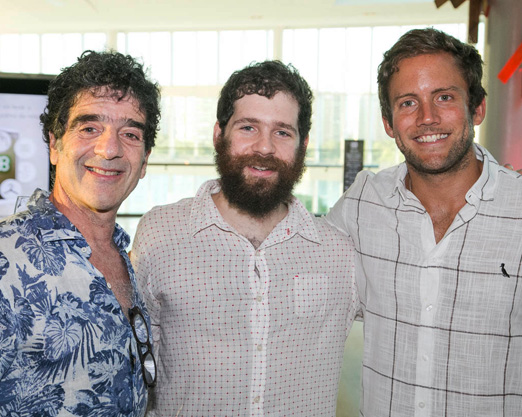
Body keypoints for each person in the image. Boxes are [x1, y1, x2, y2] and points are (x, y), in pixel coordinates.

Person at [131, 60, 359, 416]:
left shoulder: (339, 252)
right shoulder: (161, 234)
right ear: (218, 134)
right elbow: (135, 368)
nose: (264, 148)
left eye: (282, 132)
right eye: (248, 127)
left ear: (303, 145)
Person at [327, 27, 522, 416]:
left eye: (444, 97)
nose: (427, 118)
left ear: (477, 108)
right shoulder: (362, 204)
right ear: (389, 123)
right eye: (407, 103)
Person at [0, 50, 161, 416]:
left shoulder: (125, 256)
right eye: (89, 128)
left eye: (130, 134)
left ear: (145, 161)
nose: (109, 149)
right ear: (54, 145)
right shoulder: (7, 259)